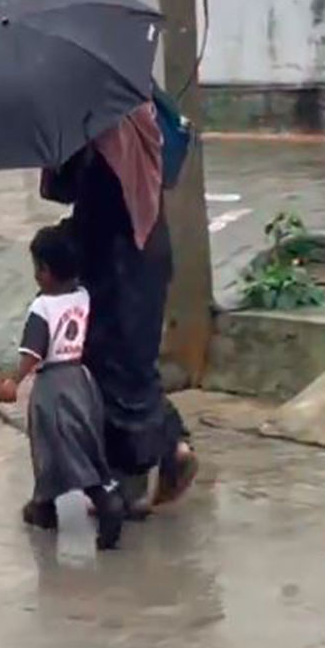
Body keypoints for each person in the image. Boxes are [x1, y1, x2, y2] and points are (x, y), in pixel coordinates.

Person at [41, 102, 198, 518]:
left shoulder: (91, 115)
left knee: (110, 371)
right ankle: (165, 451)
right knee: (133, 366)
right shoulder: (137, 102)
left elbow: (62, 187)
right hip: (149, 248)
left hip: (113, 258)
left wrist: (55, 141)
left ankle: (156, 459)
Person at [0, 224, 125, 550]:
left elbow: (32, 353)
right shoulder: (82, 296)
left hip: (52, 388)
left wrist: (13, 380)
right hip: (81, 381)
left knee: (54, 447)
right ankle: (49, 503)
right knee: (85, 443)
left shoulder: (41, 308)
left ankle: (96, 500)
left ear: (45, 271)